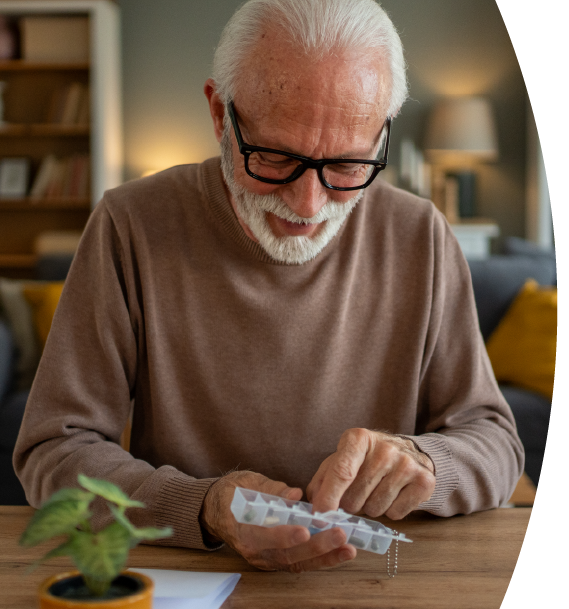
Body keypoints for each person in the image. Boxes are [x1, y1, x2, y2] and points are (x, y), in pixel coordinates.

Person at [14, 0, 524, 573]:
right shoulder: (129, 225)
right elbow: (54, 451)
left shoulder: (421, 234)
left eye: (349, 166)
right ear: (218, 115)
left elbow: (496, 443)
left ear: (381, 136)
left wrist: (424, 462)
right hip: (193, 579)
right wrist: (203, 508)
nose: (309, 206)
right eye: (276, 158)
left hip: (379, 581)